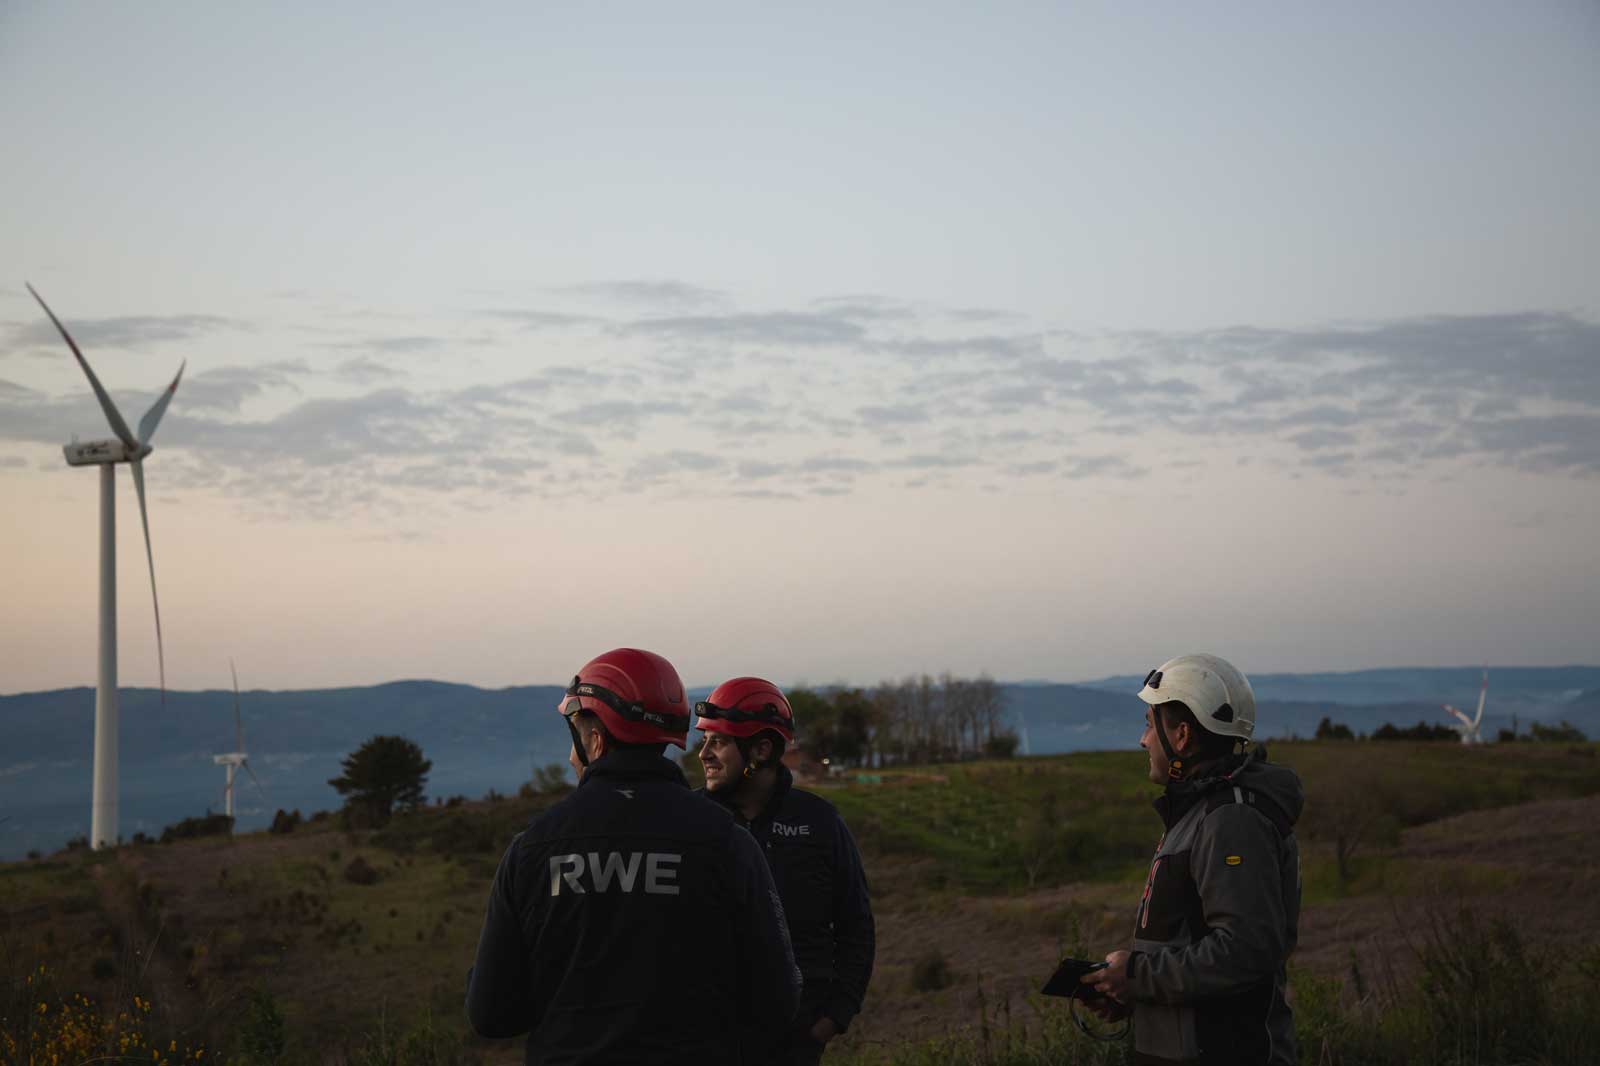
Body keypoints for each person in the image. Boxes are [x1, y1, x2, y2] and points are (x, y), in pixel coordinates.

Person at [466, 648, 801, 1064]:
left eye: (575, 737)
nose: (571, 756)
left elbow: (491, 1014)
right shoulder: (729, 843)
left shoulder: (531, 850)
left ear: (595, 740)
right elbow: (779, 1000)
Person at [1085, 654, 1304, 1066]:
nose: (1143, 740)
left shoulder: (1232, 820)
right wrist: (1131, 993)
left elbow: (1245, 951)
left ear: (1182, 736)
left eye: (1150, 725)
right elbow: (1192, 950)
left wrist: (1137, 975)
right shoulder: (1198, 814)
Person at [696, 677, 875, 1065]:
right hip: (704, 1042)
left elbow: (856, 926)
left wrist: (831, 1020)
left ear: (761, 749)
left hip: (793, 1045)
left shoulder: (819, 822)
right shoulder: (688, 821)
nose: (703, 754)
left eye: (718, 741)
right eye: (704, 740)